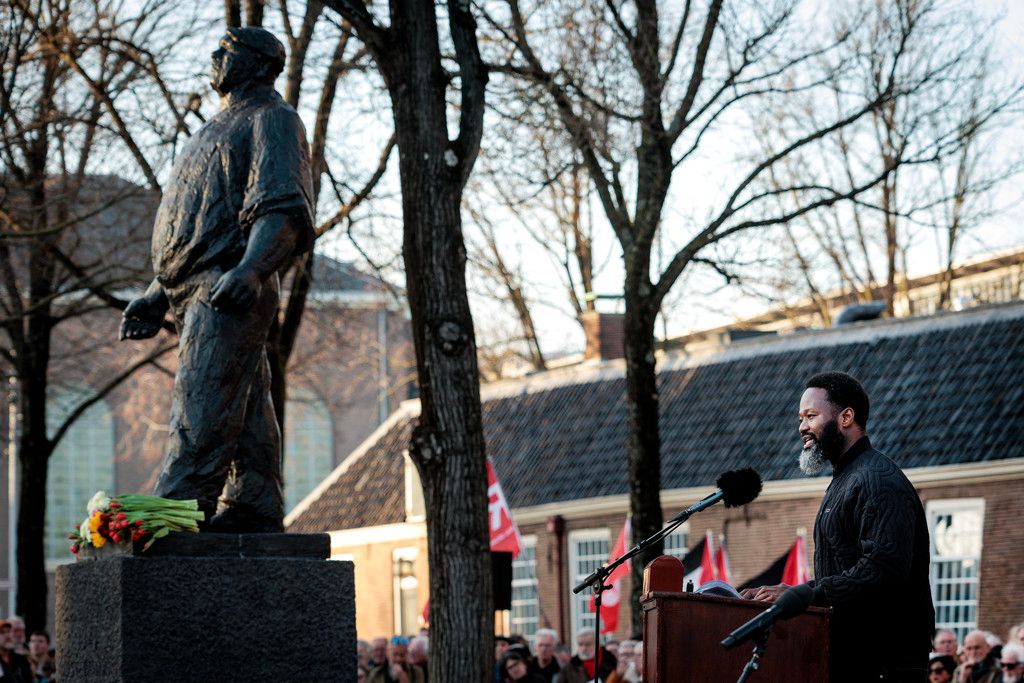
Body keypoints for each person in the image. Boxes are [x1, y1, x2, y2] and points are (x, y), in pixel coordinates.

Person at [120, 26, 315, 532]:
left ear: (259, 63)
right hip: (195, 284)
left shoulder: (273, 119)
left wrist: (252, 269)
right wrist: (157, 292)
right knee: (244, 399)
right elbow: (200, 223)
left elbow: (282, 206)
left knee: (202, 397)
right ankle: (255, 502)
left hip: (228, 281)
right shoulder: (211, 130)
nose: (214, 56)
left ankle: (175, 511)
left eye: (227, 50)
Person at [740, 371, 934, 683]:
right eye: (800, 418)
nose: (802, 427)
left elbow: (882, 570)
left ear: (846, 417)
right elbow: (846, 574)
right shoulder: (847, 477)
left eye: (811, 416)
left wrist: (805, 594)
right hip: (853, 657)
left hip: (883, 663)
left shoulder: (877, 480)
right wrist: (797, 594)